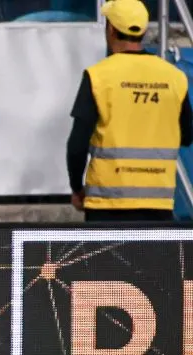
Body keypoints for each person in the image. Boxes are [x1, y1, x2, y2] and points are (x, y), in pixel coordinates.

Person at [67, 0, 193, 223]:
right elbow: (187, 135)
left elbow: (77, 145)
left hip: (107, 204)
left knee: (106, 259)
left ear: (112, 29)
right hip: (158, 203)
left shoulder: (98, 77)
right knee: (150, 259)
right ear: (143, 31)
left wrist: (77, 189)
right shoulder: (175, 78)